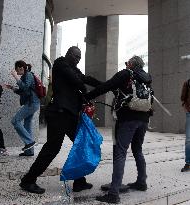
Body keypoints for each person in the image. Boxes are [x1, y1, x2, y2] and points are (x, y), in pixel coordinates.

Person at [19, 46, 101, 194]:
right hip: (59, 113)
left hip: (70, 115)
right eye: (75, 56)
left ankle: (79, 181)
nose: (77, 60)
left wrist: (105, 85)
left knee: (81, 144)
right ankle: (28, 180)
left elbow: (86, 79)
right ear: (68, 54)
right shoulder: (60, 63)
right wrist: (85, 91)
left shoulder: (74, 69)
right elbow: (77, 81)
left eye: (79, 58)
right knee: (52, 148)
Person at [85, 55, 152, 204]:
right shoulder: (146, 78)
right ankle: (141, 182)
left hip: (128, 118)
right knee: (137, 150)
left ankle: (114, 193)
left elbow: (106, 86)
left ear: (131, 64)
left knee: (120, 152)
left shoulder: (126, 74)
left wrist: (87, 96)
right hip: (144, 119)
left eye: (127, 63)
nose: (126, 64)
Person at [4, 60, 40, 156]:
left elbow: (25, 87)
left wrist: (15, 77)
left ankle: (29, 142)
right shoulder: (25, 76)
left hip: (32, 103)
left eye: (17, 70)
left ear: (21, 68)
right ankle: (29, 151)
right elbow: (22, 91)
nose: (17, 73)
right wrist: (12, 88)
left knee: (15, 121)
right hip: (31, 103)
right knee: (27, 125)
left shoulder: (28, 75)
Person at [180, 79, 190, 172]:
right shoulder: (187, 82)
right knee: (188, 140)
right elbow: (183, 97)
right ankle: (188, 163)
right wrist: (185, 107)